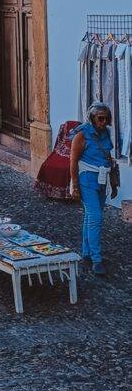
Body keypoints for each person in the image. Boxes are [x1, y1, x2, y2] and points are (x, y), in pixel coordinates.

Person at [70, 102, 115, 276]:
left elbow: (108, 156)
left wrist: (114, 182)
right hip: (87, 179)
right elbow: (73, 162)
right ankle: (97, 259)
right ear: (92, 118)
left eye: (106, 118)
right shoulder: (81, 135)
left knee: (90, 216)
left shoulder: (106, 133)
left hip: (102, 179)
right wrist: (75, 186)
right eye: (100, 118)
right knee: (96, 218)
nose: (103, 122)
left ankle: (86, 253)